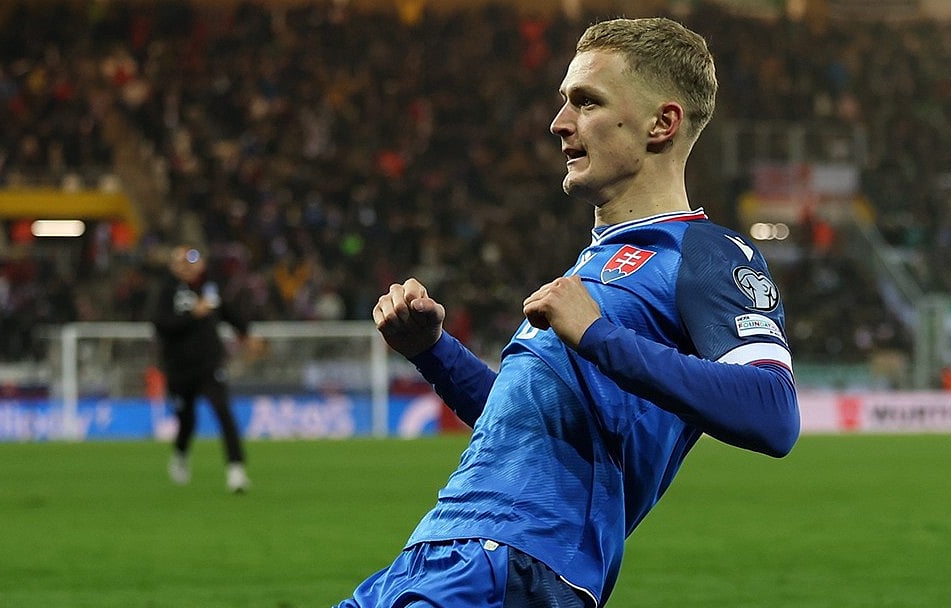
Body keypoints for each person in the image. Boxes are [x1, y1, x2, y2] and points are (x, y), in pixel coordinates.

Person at [340, 17, 800, 607]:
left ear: (662, 123)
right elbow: (530, 425)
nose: (560, 123)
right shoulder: (596, 264)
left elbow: (773, 413)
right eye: (564, 102)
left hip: (517, 562)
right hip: (445, 549)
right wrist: (432, 351)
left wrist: (598, 334)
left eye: (586, 102)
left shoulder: (705, 254)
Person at [152, 244, 261, 493]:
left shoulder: (209, 288)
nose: (188, 266)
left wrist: (247, 334)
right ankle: (180, 455)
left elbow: (228, 313)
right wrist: (193, 314)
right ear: (173, 266)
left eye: (192, 261)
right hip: (179, 368)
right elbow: (160, 324)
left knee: (224, 412)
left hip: (209, 364)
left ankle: (236, 471)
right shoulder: (165, 291)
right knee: (187, 420)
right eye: (182, 262)